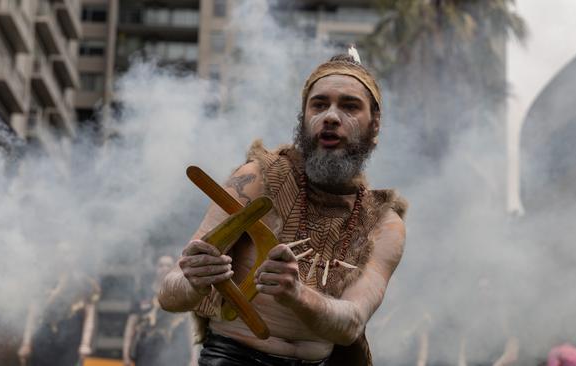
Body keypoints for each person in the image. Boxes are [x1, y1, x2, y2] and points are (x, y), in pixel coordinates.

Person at [158, 51, 407, 365]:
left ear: (375, 125)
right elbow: (169, 293)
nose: (331, 116)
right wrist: (193, 281)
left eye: (349, 105)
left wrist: (296, 293)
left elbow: (351, 323)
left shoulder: (384, 224)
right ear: (303, 118)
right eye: (319, 104)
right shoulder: (258, 179)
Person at [122, 255, 198, 366]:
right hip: (146, 354)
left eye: (168, 265)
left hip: (175, 355)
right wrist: (125, 354)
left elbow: (191, 329)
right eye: (161, 265)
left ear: (173, 269)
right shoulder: (142, 293)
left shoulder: (182, 294)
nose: (164, 268)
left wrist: (194, 359)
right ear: (156, 268)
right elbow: (130, 327)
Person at [17, 268, 100, 366]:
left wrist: (85, 344)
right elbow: (33, 313)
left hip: (71, 336)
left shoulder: (84, 281)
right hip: (44, 335)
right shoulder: (44, 279)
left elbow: (89, 314)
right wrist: (26, 343)